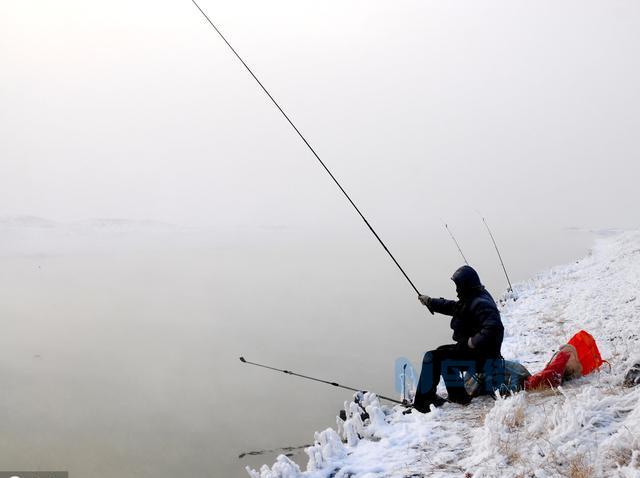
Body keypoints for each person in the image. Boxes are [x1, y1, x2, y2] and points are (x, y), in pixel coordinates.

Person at [412, 265, 504, 413]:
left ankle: (422, 405)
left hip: (483, 357)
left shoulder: (481, 303)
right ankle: (458, 396)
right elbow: (454, 307)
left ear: (466, 285)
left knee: (433, 357)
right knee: (442, 353)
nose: (456, 289)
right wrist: (430, 302)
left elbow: (494, 327)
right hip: (480, 353)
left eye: (458, 285)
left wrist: (472, 342)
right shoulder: (473, 296)